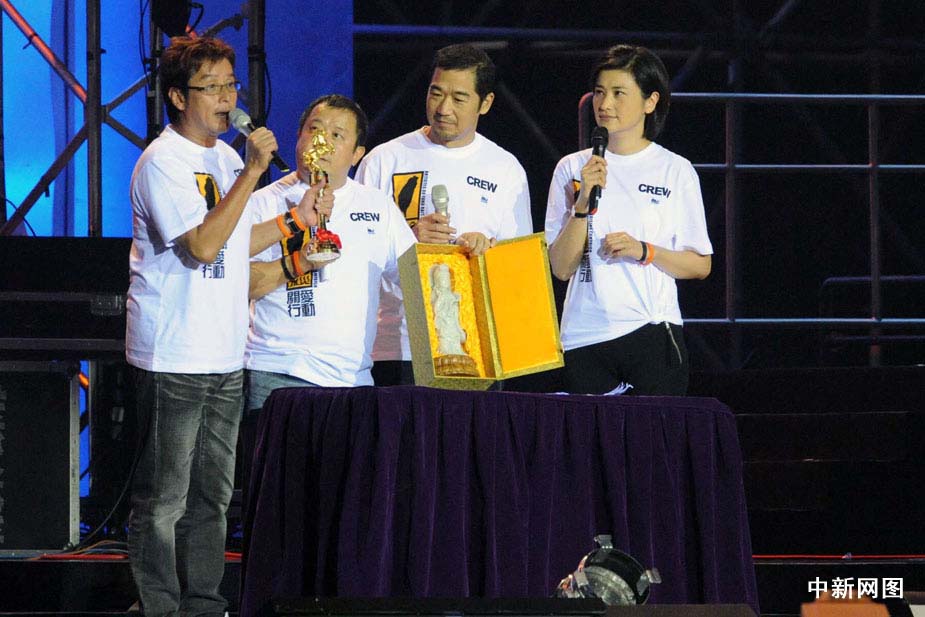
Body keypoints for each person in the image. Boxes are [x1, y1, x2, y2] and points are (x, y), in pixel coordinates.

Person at [125, 36, 280, 616]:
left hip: (224, 353)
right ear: (177, 97)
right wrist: (254, 173)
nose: (226, 99)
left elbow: (236, 242)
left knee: (213, 496)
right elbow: (202, 245)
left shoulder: (228, 160)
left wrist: (293, 222)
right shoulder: (162, 162)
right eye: (211, 87)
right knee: (164, 498)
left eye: (231, 85)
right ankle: (159, 606)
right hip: (173, 354)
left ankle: (204, 603)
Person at [355, 43, 533, 385]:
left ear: (486, 103)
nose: (443, 108)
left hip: (473, 348)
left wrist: (485, 250)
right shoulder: (385, 159)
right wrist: (409, 239)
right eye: (436, 93)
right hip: (396, 344)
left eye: (459, 98)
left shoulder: (505, 168)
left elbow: (518, 267)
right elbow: (357, 252)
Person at [544, 44, 713, 396]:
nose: (605, 104)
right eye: (599, 92)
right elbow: (560, 268)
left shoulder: (675, 170)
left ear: (650, 102)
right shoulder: (572, 168)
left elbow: (700, 265)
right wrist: (582, 205)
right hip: (583, 336)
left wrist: (644, 250)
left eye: (619, 93)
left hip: (651, 332)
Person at [244, 94, 416, 413]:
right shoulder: (262, 203)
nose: (322, 140)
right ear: (299, 137)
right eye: (314, 129)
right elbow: (240, 285)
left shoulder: (378, 207)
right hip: (276, 372)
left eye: (337, 135)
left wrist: (460, 251)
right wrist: (298, 262)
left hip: (352, 381)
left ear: (357, 154)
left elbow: (414, 281)